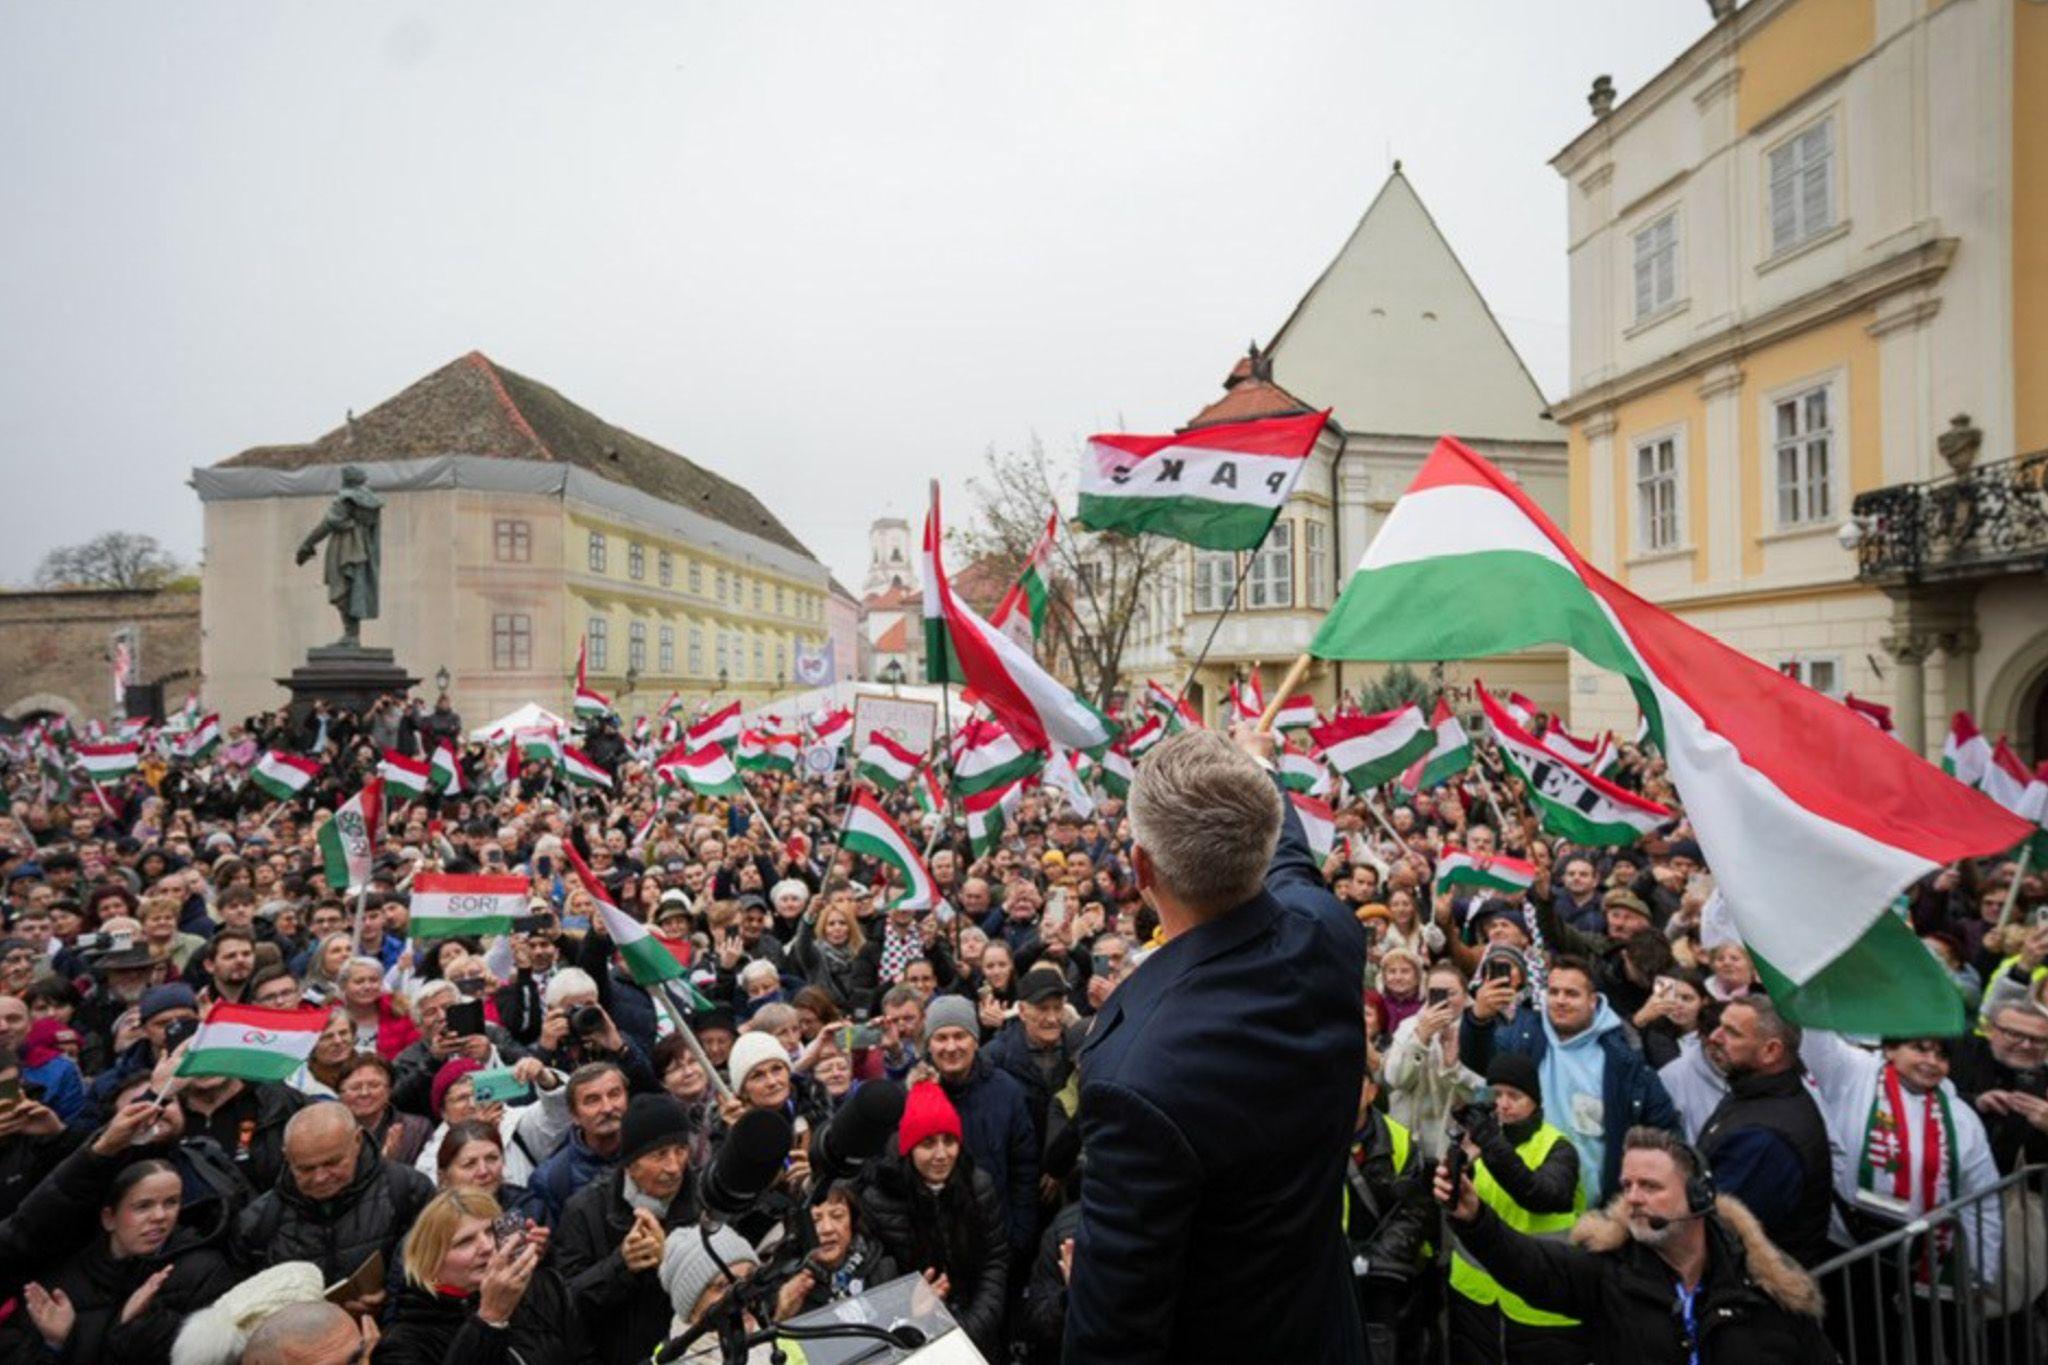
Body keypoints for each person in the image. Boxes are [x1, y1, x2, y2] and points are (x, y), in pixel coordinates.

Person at [1063, 728, 1367, 1364]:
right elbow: (1290, 865)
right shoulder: (1328, 936)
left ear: (1142, 868)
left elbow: (1115, 1339)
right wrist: (1255, 763)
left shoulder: (1133, 1077)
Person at [1436, 1125, 1839, 1363]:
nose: (1633, 1198)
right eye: (1627, 1185)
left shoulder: (1765, 1284)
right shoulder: (1609, 1270)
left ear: (1698, 1196)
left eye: (1650, 1186)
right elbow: (1530, 1264)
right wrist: (1475, 1218)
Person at [1461, 952, 1681, 1202]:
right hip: (1517, 1199)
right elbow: (1481, 1061)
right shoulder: (1522, 1038)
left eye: (1571, 994)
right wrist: (1478, 1020)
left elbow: (1665, 1130)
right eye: (1553, 992)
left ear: (1593, 1000)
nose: (1560, 1001)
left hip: (1591, 1210)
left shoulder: (1623, 1059)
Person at [2, 1140, 237, 1365]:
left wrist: (139, 1326)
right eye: (143, 1206)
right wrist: (55, 1344)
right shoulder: (62, 1274)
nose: (160, 1216)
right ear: (109, 1218)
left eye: (171, 1202)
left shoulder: (204, 1271)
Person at [1444, 1051, 1585, 1365]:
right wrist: (1456, 1169)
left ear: (1535, 1100)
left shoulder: (1558, 1148)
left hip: (1540, 1304)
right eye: (1497, 1095)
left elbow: (1541, 1196)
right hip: (1476, 1296)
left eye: (1514, 1095)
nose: (1503, 1104)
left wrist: (1490, 1143)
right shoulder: (1479, 1145)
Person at [854, 1082, 1009, 1357]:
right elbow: (879, 1284)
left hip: (978, 1327)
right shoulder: (879, 1200)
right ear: (909, 1148)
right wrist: (917, 1314)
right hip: (912, 1332)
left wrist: (973, 1326)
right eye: (928, 1143)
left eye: (949, 1141)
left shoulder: (978, 1185)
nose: (941, 1155)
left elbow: (994, 1259)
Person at [555, 1094, 704, 1365]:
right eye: (659, 1154)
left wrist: (670, 1261)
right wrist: (621, 1265)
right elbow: (567, 1304)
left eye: (681, 1150)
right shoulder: (585, 1210)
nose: (674, 1167)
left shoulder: (704, 1199)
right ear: (631, 1165)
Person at [233, 1100, 436, 1295]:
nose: (320, 1177)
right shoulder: (259, 1221)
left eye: (333, 1163)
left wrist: (389, 1298)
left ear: (357, 1141)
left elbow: (434, 1272)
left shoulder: (408, 1190)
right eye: (306, 1169)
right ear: (287, 1156)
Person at [372, 1187, 589, 1364]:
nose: (487, 1246)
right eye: (465, 1242)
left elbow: (585, 1356)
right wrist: (489, 1320)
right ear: (431, 1264)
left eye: (491, 1232)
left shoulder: (542, 1287)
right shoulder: (403, 1343)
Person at [1696, 996, 1832, 1266]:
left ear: (1770, 1051)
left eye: (1732, 1032)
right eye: (1720, 1025)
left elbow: (1721, 1230)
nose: (1714, 1037)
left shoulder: (1765, 1139)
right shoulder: (1752, 1091)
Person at [920, 992, 1039, 1253]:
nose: (951, 1047)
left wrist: (1020, 1234)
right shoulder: (915, 1094)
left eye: (959, 1036)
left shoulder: (1006, 1091)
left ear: (975, 1040)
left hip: (998, 1237)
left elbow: (1024, 1168)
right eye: (941, 1038)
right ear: (929, 1045)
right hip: (937, 1242)